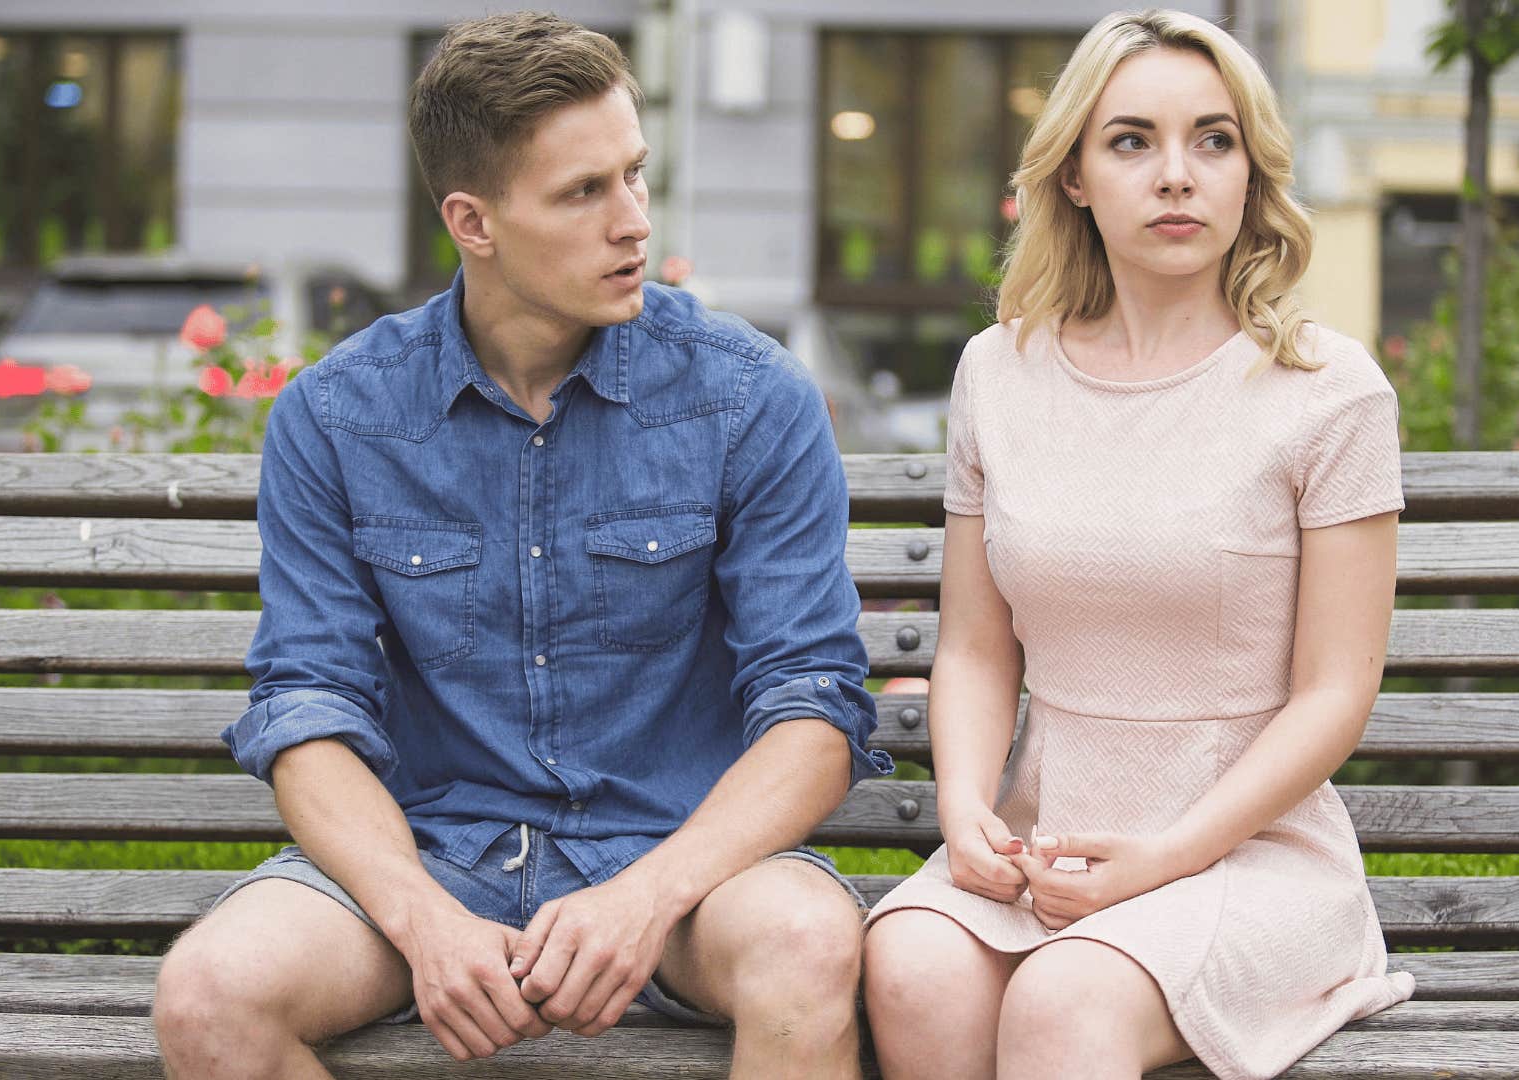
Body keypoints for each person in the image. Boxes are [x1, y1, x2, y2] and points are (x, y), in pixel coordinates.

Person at [151, 14, 890, 1079]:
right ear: (474, 220)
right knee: (210, 995)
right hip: (438, 859)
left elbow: (815, 708)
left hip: (688, 872)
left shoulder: (747, 399)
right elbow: (308, 708)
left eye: (635, 174)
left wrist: (648, 893)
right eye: (584, 192)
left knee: (807, 944)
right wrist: (418, 918)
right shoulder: (338, 418)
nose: (634, 221)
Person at [861, 10, 1415, 1080]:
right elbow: (978, 649)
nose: (1177, 175)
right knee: (909, 966)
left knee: (1067, 1005)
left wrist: (1166, 855)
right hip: (1048, 837)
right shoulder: (999, 373)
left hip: (1248, 856)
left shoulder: (1327, 393)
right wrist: (966, 806)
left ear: (1251, 172)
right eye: (1132, 142)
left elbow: (1334, 693)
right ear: (1072, 174)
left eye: (1214, 141)